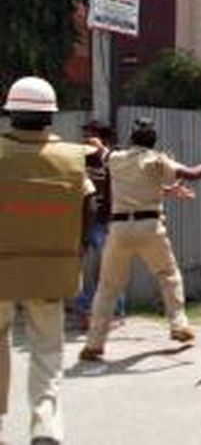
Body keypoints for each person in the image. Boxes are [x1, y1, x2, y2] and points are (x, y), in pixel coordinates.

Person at [78, 117, 201, 361]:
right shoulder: (157, 160)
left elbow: (102, 154)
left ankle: (94, 343)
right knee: (168, 276)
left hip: (119, 228)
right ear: (154, 140)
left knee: (108, 286)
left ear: (131, 138)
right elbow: (192, 173)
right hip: (150, 226)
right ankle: (179, 325)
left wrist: (97, 144)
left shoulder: (116, 159)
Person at [0, 76, 96, 444]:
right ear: (51, 117)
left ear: (10, 113)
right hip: (51, 270)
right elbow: (88, 206)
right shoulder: (71, 159)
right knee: (47, 349)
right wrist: (76, 249)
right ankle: (44, 426)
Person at [74, 120, 126, 329]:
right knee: (78, 270)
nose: (86, 139)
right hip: (85, 221)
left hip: (107, 221)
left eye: (90, 135)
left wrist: (101, 150)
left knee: (109, 269)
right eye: (84, 135)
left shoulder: (113, 157)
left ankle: (115, 313)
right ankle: (86, 311)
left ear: (102, 137)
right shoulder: (80, 159)